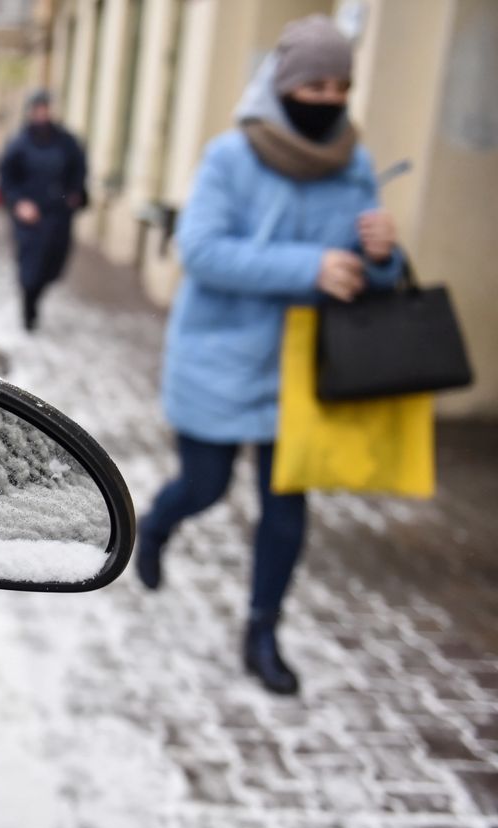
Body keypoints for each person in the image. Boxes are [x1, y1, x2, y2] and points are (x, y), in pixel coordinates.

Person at [136, 15, 403, 695]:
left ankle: (263, 630)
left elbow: (369, 275)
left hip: (306, 369)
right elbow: (200, 251)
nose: (329, 97)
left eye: (342, 84)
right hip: (221, 357)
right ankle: (156, 523)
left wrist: (381, 256)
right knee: (206, 487)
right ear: (283, 85)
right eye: (314, 83)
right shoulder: (232, 155)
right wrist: (309, 267)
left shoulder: (356, 164)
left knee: (287, 508)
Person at [0, 91, 88, 331]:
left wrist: (74, 194)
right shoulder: (19, 143)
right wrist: (19, 203)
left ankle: (35, 298)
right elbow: (6, 179)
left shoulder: (66, 142)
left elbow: (78, 170)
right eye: (37, 108)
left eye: (45, 108)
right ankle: (28, 313)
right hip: (30, 217)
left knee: (53, 266)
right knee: (30, 267)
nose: (42, 113)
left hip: (58, 215)